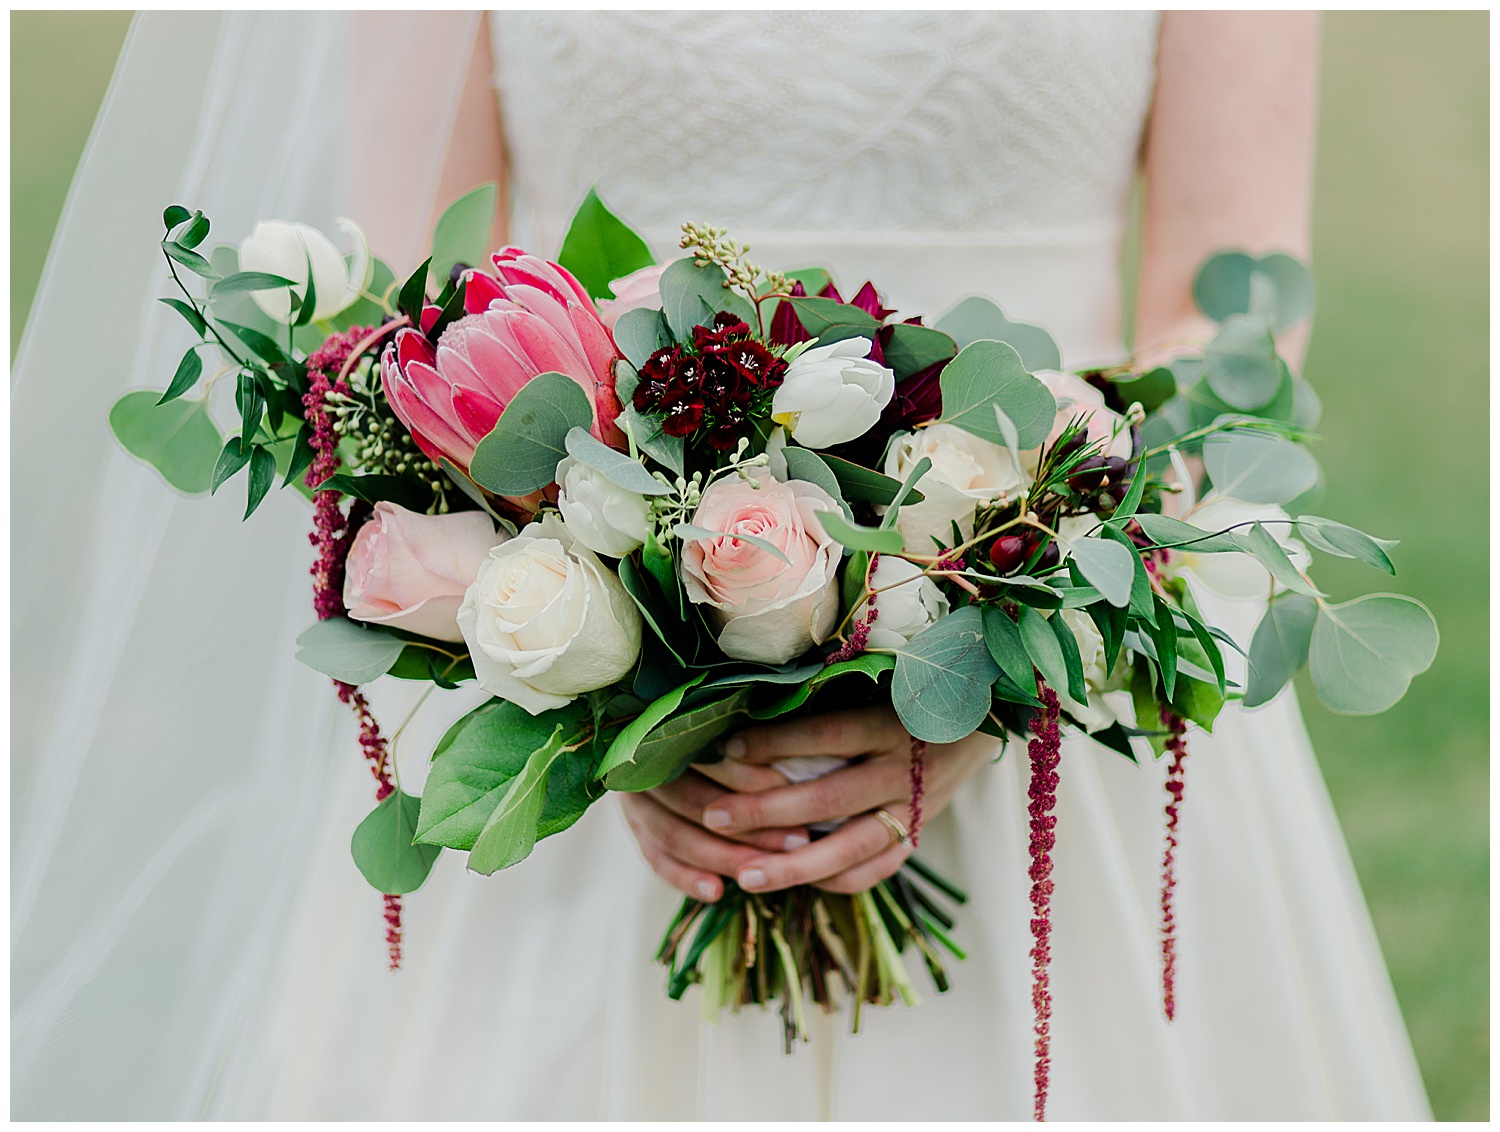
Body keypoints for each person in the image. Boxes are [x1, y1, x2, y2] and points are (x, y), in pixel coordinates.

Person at [12, 11, 1431, 1120]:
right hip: (585, 658)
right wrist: (610, 675)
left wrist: (989, 647)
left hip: (1055, 629)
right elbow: (414, 305)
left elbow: (1227, 316)